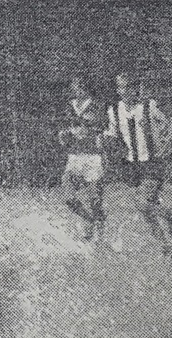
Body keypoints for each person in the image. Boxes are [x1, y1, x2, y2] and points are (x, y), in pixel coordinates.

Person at [105, 72, 172, 256]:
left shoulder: (148, 106)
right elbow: (113, 135)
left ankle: (170, 216)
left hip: (153, 161)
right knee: (147, 210)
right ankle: (166, 245)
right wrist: (105, 142)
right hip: (132, 165)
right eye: (122, 87)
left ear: (136, 87)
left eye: (130, 86)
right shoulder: (114, 110)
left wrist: (167, 142)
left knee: (143, 204)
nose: (126, 90)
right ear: (118, 89)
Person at [58, 76, 107, 242]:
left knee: (94, 200)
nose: (77, 89)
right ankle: (89, 220)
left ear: (86, 87)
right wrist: (63, 136)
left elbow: (103, 129)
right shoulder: (69, 106)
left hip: (93, 157)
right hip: (74, 156)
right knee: (68, 195)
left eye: (80, 85)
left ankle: (98, 236)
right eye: (75, 85)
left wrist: (94, 132)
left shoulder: (96, 105)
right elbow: (65, 132)